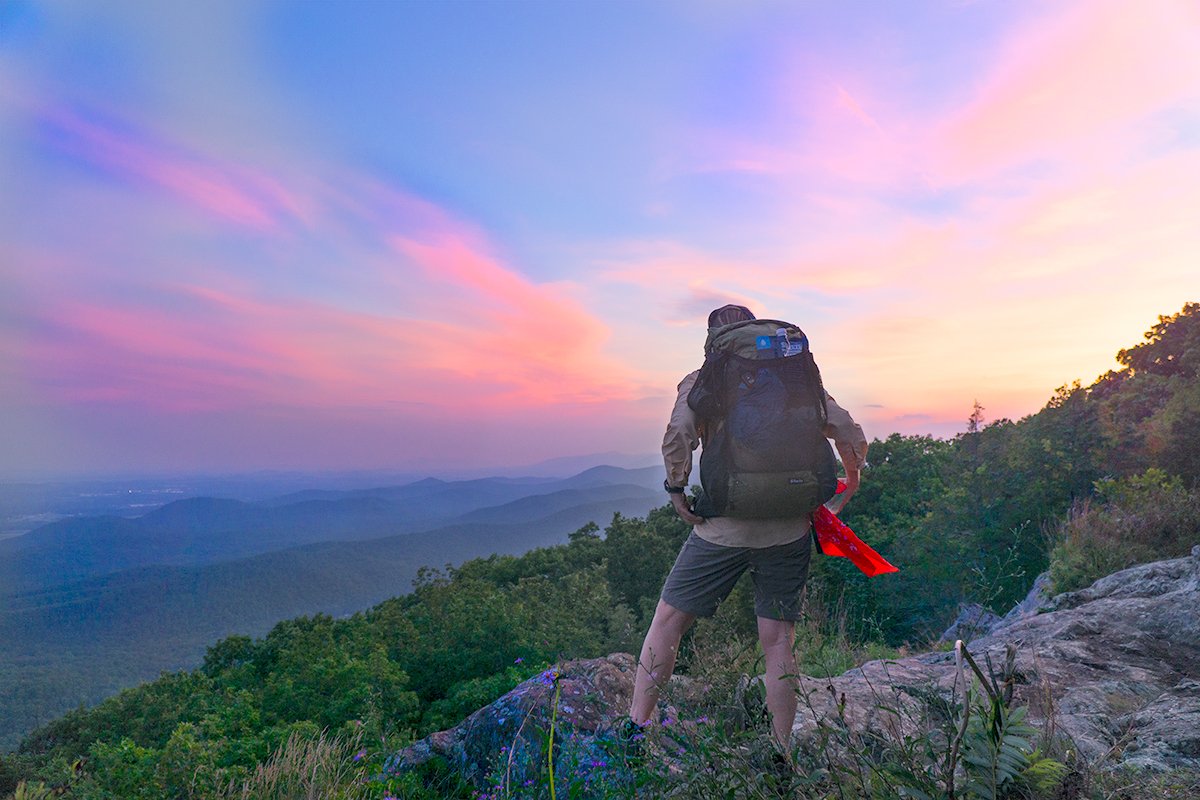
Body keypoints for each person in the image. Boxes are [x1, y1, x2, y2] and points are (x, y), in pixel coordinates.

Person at [628, 304, 869, 752]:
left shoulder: (702, 379)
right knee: (778, 642)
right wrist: (849, 483)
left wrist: (677, 490)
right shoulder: (796, 375)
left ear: (713, 340)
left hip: (724, 526)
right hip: (788, 527)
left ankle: (635, 730)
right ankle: (781, 752)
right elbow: (846, 429)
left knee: (669, 622)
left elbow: (679, 431)